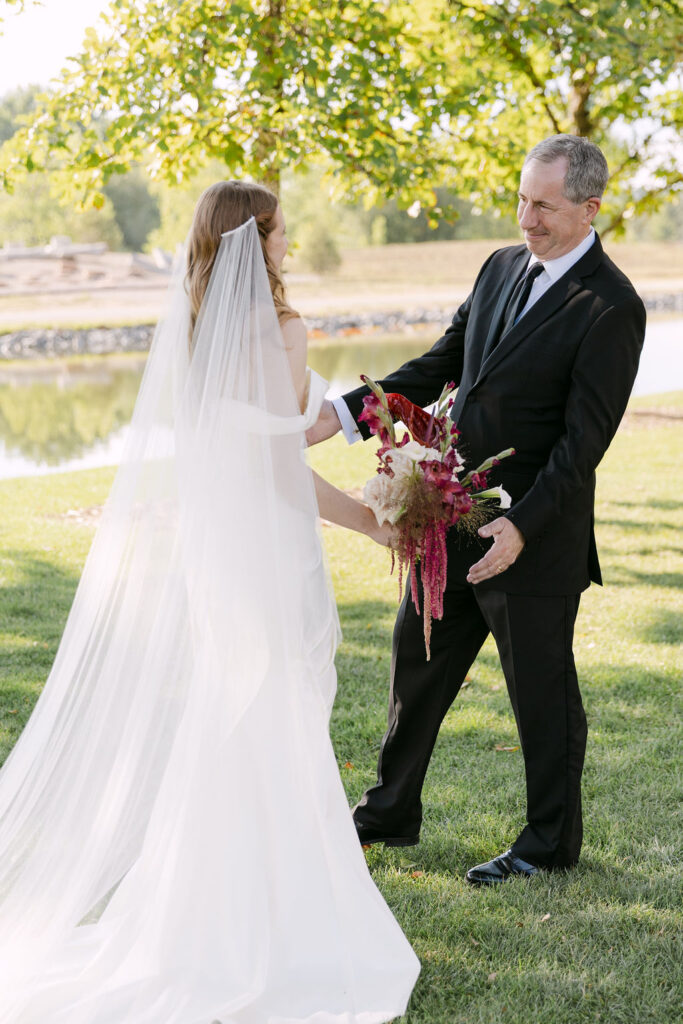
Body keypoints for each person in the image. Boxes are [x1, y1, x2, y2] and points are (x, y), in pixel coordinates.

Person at [0, 181, 419, 1022]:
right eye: (280, 233)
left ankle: (204, 922)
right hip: (270, 554)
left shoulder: (193, 330)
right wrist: (374, 526)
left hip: (223, 560)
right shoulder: (284, 332)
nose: (290, 245)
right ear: (253, 242)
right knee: (274, 721)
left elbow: (243, 450)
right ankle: (269, 932)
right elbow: (277, 471)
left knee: (231, 722)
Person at [308, 135, 646, 885]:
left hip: (531, 539)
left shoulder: (612, 306)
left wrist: (521, 526)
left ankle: (547, 846)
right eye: (522, 199)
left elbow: (579, 445)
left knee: (542, 697)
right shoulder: (497, 266)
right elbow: (437, 365)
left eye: (544, 207)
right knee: (414, 667)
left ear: (589, 209)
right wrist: (346, 410)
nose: (525, 218)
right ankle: (387, 814)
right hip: (446, 525)